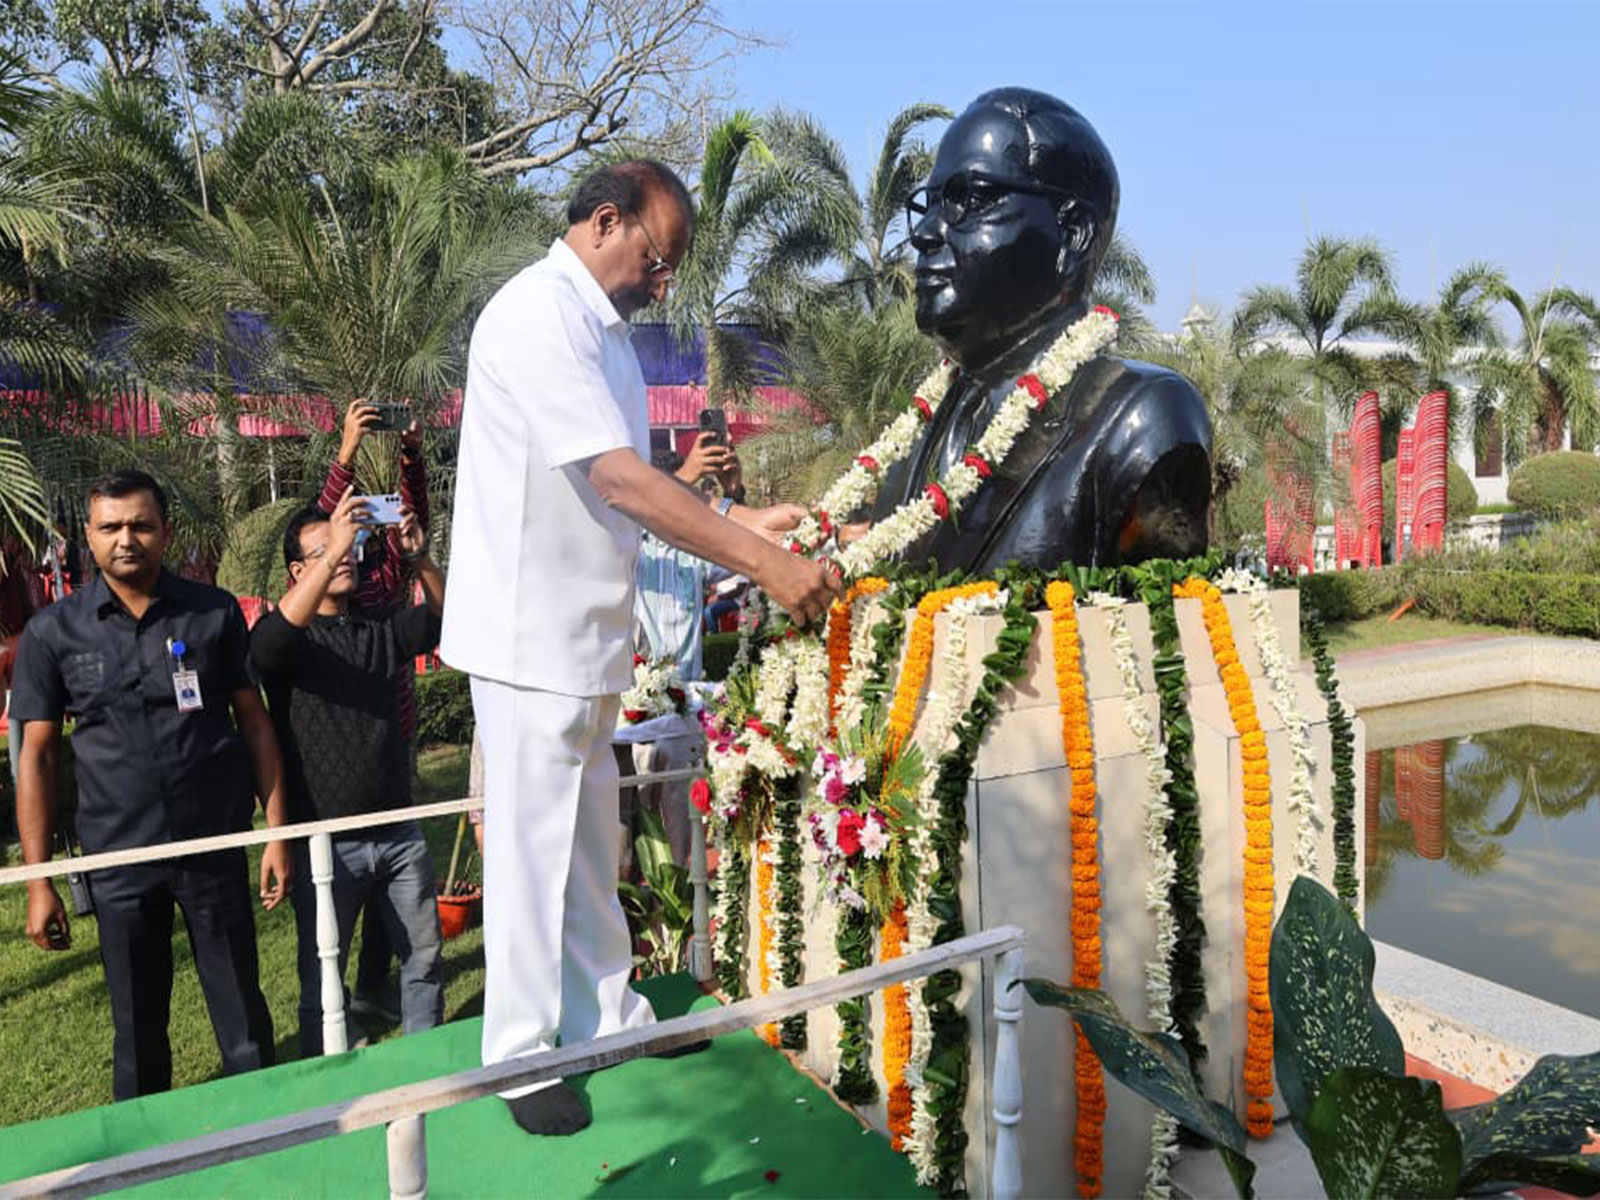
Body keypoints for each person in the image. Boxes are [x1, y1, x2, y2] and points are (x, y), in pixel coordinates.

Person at [441, 159, 842, 1137]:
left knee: (587, 845)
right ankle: (523, 1056)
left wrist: (749, 519)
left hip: (586, 632)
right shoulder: (537, 313)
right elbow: (620, 482)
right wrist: (758, 560)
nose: (662, 283)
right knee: (534, 848)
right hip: (528, 630)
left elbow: (637, 478)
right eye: (658, 260)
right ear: (605, 221)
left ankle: (609, 1017)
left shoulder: (608, 338)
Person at [11, 469, 290, 1100]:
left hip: (212, 845)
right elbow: (38, 759)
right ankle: (146, 1166)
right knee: (137, 1031)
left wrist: (278, 836)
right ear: (88, 535)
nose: (126, 539)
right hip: (119, 856)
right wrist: (39, 882)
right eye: (110, 526)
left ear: (165, 532)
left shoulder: (213, 612)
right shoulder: (53, 632)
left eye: (141, 524)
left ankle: (271, 1141)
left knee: (244, 1017)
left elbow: (255, 724)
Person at [876, 87, 1213, 572]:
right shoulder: (916, 433)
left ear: (1071, 233)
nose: (927, 231)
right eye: (928, 203)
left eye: (967, 199)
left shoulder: (1142, 418)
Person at [250, 491, 446, 1057]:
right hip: (323, 844)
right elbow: (265, 649)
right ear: (296, 570)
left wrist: (421, 560)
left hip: (399, 833)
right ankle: (328, 1079)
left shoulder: (378, 630)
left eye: (350, 546)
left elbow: (445, 620)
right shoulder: (288, 641)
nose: (344, 557)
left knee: (424, 960)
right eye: (325, 550)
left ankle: (425, 1064)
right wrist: (336, 538)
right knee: (322, 976)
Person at [313, 398, 432, 1026]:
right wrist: (347, 451)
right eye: (349, 526)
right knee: (341, 881)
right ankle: (343, 997)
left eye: (364, 528)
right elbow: (313, 525)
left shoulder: (382, 577)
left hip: (396, 726)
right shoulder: (323, 585)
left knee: (398, 863)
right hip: (335, 740)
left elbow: (415, 524)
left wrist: (410, 455)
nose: (355, 540)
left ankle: (373, 986)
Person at [624, 438, 739, 870]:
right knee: (627, 847)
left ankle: (679, 928)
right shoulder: (631, 545)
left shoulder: (694, 552)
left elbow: (741, 551)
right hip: (627, 720)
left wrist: (732, 495)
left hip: (682, 716)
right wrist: (686, 478)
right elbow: (630, 514)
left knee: (679, 848)